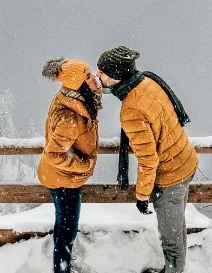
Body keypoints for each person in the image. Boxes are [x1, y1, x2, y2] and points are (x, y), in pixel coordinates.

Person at [96, 46, 198, 273]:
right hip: (184, 159)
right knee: (178, 227)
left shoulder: (131, 108)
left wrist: (142, 195)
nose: (98, 76)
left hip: (171, 175)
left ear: (115, 77)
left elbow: (148, 159)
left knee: (171, 240)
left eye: (101, 72)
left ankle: (174, 270)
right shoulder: (147, 81)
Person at [38, 58, 102, 273]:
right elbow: (53, 154)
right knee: (67, 230)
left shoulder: (72, 97)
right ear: (79, 85)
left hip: (64, 176)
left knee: (64, 225)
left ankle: (62, 266)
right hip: (64, 179)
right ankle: (62, 269)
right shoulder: (70, 118)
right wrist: (83, 164)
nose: (93, 77)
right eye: (87, 76)